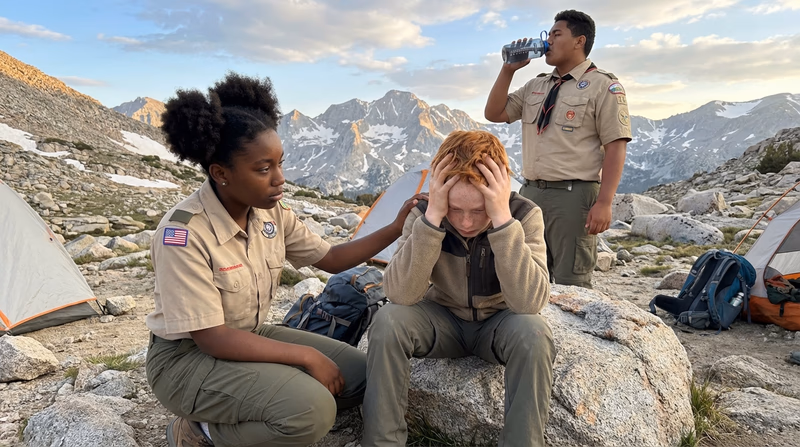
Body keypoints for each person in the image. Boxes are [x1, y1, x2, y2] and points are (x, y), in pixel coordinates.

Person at [145, 72, 425, 447]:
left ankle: (260, 407)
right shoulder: (183, 234)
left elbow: (332, 258)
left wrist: (396, 226)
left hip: (248, 336)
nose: (280, 179)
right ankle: (199, 432)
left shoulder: (269, 212)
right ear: (221, 173)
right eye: (264, 169)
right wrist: (305, 356)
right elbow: (212, 338)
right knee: (311, 411)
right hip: (186, 360)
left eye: (279, 164)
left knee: (362, 375)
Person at [362, 130, 555, 447]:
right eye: (455, 209)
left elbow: (530, 302)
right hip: (442, 321)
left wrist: (503, 221)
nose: (465, 222)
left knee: (534, 333)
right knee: (388, 322)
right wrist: (434, 217)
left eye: (479, 210)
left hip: (499, 323)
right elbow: (400, 294)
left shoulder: (524, 214)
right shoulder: (423, 214)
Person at [484, 10, 632, 289]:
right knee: (525, 277)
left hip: (573, 197)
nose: (548, 40)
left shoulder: (604, 85)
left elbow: (615, 145)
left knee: (570, 283)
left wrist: (604, 202)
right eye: (548, 34)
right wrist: (508, 69)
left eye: (556, 34)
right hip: (530, 193)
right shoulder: (536, 85)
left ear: (579, 41)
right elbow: (494, 112)